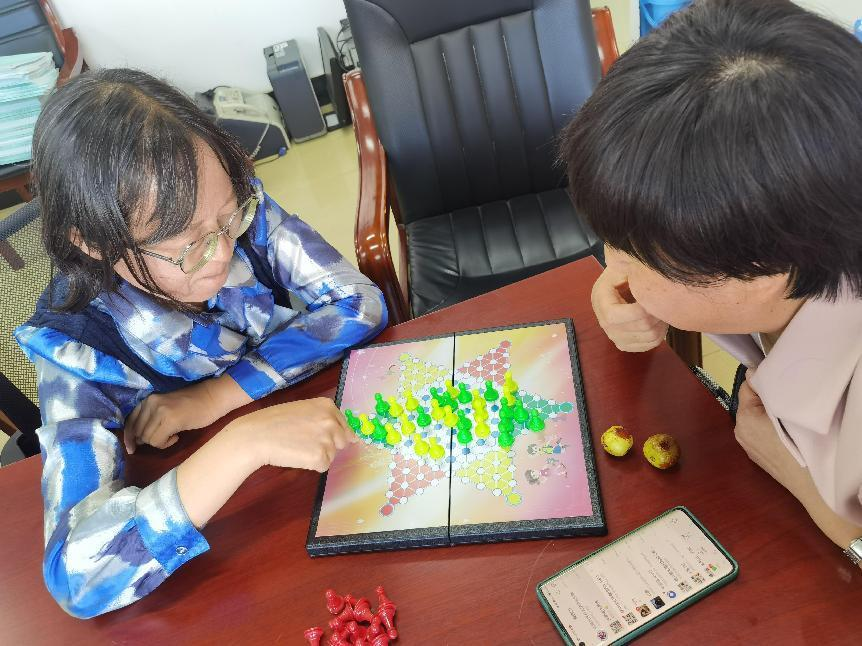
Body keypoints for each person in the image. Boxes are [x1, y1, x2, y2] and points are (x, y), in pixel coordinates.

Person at [13, 69, 387, 617]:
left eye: (227, 218)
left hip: (309, 468)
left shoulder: (238, 215)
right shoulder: (77, 349)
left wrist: (217, 396)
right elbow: (79, 576)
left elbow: (359, 303)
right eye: (189, 246)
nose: (223, 251)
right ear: (93, 242)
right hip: (233, 557)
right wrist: (242, 442)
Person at [560, 0, 862, 567]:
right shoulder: (797, 226)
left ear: (763, 268)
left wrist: (804, 486)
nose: (614, 266)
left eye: (635, 254)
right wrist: (641, 284)